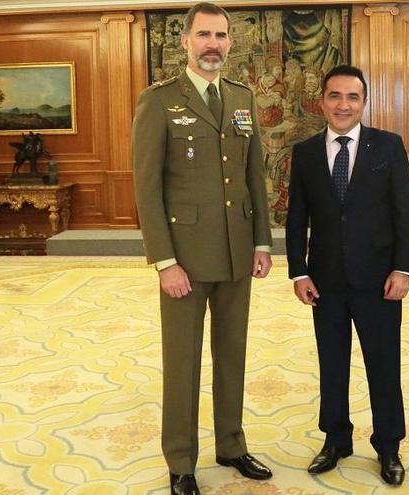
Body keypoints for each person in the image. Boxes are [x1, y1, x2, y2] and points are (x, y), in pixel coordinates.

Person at [131, 4, 273, 495]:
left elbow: (255, 174)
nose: (213, 43)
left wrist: (261, 242)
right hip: (185, 260)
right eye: (204, 34)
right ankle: (181, 462)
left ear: (230, 42)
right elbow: (147, 188)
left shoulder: (241, 97)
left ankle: (231, 445)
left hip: (236, 250)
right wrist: (164, 261)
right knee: (183, 360)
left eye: (221, 35)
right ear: (186, 41)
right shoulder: (159, 101)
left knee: (232, 354)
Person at [285, 65, 409, 486]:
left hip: (379, 280)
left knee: (383, 365)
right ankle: (336, 439)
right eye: (335, 96)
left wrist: (403, 268)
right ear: (321, 101)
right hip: (325, 282)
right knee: (332, 365)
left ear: (364, 102)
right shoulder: (305, 152)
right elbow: (296, 218)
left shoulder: (388, 147)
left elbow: (404, 213)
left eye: (352, 97)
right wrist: (298, 272)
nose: (343, 105)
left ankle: (389, 446)